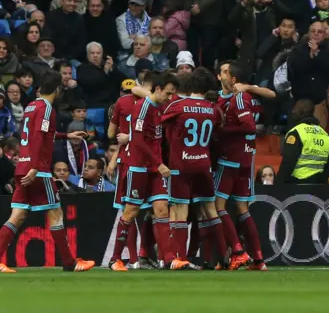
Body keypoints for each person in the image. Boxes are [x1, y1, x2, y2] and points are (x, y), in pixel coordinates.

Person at [0, 69, 95, 273]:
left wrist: (65, 136)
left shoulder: (31, 106)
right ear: (58, 89)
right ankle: (70, 262)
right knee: (56, 212)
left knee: (17, 215)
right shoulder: (46, 109)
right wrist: (36, 167)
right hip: (38, 170)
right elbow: (38, 138)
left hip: (22, 167)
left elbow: (40, 134)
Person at [162, 68, 246, 270]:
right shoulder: (212, 108)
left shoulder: (177, 106)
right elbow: (218, 132)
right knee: (210, 209)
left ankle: (180, 258)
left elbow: (159, 122)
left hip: (181, 164)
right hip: (204, 163)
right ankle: (223, 257)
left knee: (180, 209)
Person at [107, 71, 187, 272]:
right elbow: (139, 141)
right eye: (168, 94)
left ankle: (169, 259)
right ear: (157, 89)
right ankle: (115, 259)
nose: (169, 98)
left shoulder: (158, 108)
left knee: (161, 209)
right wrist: (158, 163)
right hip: (138, 167)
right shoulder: (143, 108)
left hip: (154, 168)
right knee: (131, 211)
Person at [215, 62, 266, 271]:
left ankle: (238, 252)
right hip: (246, 158)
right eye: (223, 72)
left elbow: (249, 126)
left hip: (231, 158)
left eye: (228, 73)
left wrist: (224, 128)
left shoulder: (238, 98)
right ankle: (259, 259)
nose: (225, 76)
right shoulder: (250, 99)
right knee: (242, 208)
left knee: (218, 206)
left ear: (234, 79)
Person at [278, 99, 329, 184]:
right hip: (319, 185)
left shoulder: (296, 132)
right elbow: (328, 164)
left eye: (295, 109)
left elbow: (288, 162)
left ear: (302, 111)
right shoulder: (324, 134)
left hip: (298, 183)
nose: (293, 111)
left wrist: (279, 183)